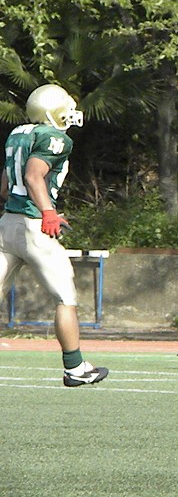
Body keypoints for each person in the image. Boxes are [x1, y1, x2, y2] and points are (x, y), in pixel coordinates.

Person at [0, 84, 108, 387]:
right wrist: (48, 211)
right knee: (65, 298)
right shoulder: (55, 138)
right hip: (34, 227)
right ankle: (75, 368)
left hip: (7, 225)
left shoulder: (18, 133)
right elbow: (33, 175)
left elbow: (5, 187)